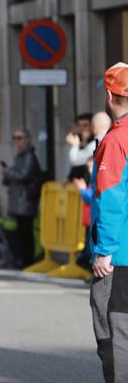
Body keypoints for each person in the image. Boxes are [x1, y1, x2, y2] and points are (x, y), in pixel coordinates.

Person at [90, 62, 128, 383]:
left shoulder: (116, 140)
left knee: (116, 336)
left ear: (109, 94)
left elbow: (112, 197)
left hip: (120, 256)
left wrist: (104, 250)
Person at [1, 128, 41, 268]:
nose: (17, 141)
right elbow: (15, 176)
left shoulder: (29, 156)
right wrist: (6, 175)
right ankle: (22, 260)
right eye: (15, 138)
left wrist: (8, 172)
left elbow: (23, 175)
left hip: (25, 200)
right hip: (18, 200)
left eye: (20, 138)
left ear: (27, 140)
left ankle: (27, 261)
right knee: (21, 231)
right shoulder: (20, 155)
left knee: (26, 232)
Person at [66, 113, 93, 180]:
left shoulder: (95, 143)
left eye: (85, 125)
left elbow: (75, 161)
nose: (82, 128)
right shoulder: (77, 143)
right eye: (79, 125)